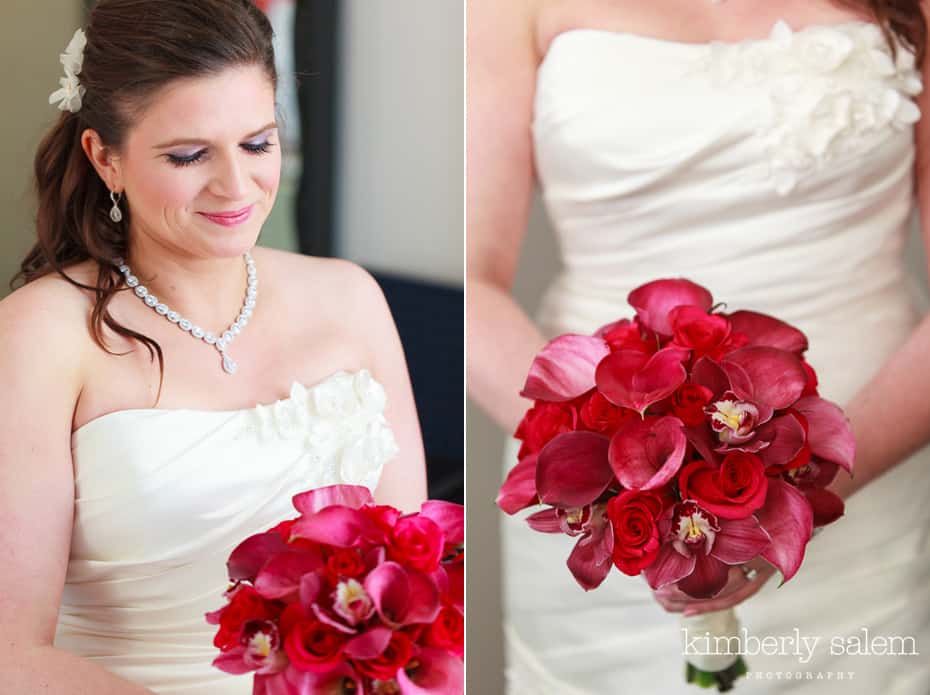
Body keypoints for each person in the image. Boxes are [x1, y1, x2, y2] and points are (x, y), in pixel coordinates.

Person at [468, 0, 930, 692]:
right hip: (610, 499)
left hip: (869, 479)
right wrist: (602, 468)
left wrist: (806, 491)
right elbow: (473, 282)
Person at [0, 1, 427, 693]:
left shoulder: (351, 299)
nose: (236, 186)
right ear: (104, 157)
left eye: (257, 143)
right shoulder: (39, 335)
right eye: (189, 155)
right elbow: (10, 655)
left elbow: (414, 579)